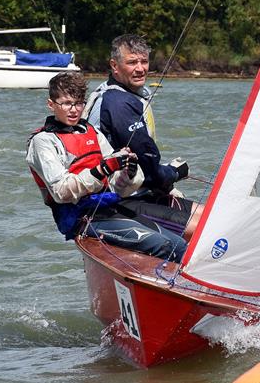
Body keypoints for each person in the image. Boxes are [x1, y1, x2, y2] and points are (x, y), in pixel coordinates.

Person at [27, 71, 187, 261]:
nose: (74, 110)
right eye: (67, 103)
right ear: (51, 104)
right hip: (80, 217)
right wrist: (102, 169)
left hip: (109, 207)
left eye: (79, 103)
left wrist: (128, 173)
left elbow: (117, 186)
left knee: (180, 245)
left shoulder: (91, 131)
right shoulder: (43, 141)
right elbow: (61, 192)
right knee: (166, 246)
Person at [84, 34, 203, 241]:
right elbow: (147, 163)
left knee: (213, 217)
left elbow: (146, 164)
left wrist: (166, 178)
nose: (140, 68)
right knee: (206, 230)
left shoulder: (127, 94)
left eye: (144, 61)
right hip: (117, 202)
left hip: (143, 192)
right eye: (132, 62)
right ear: (115, 65)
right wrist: (173, 173)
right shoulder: (117, 103)